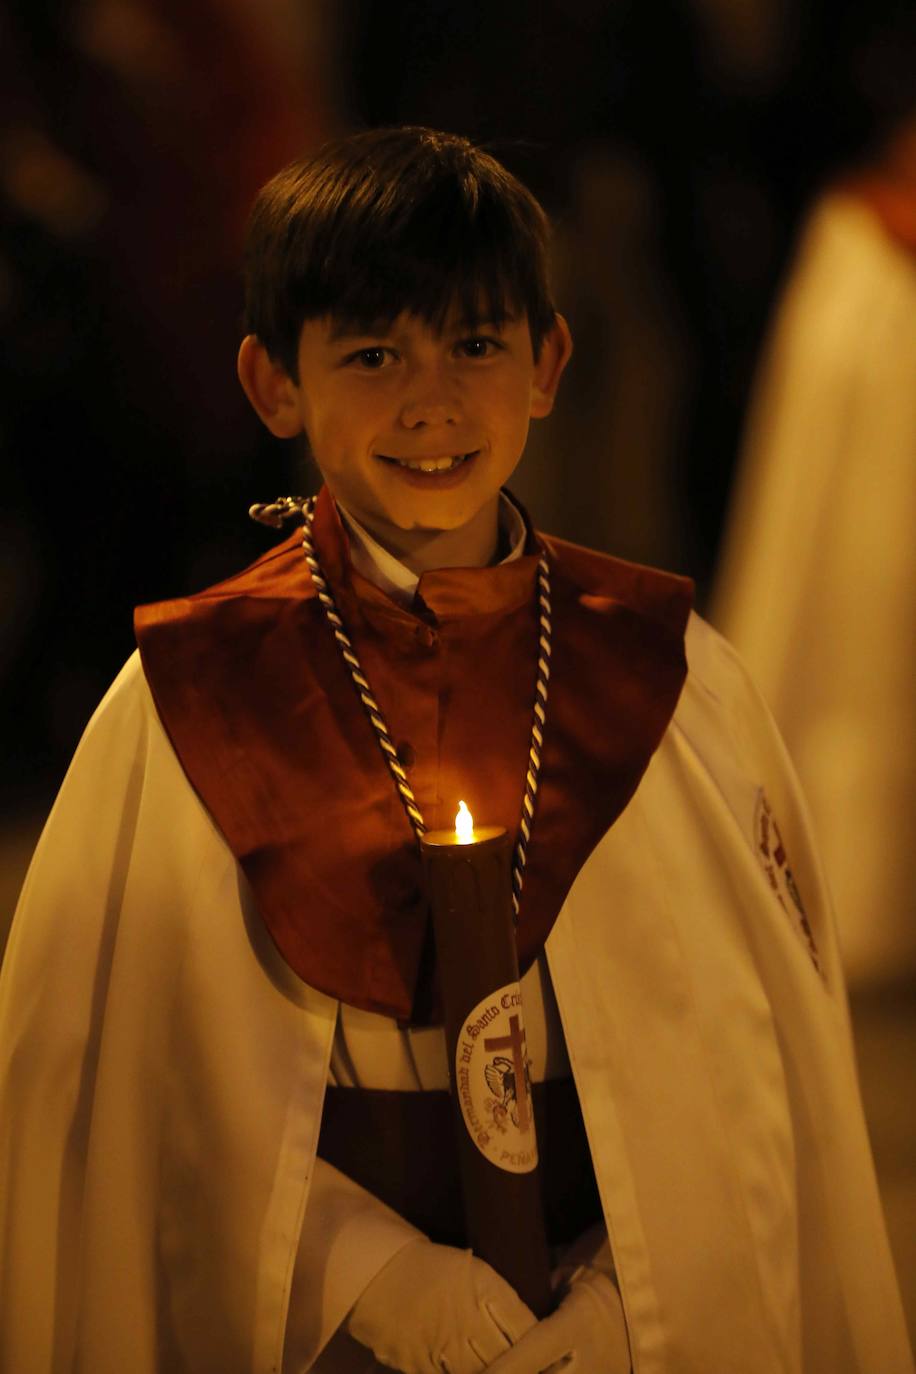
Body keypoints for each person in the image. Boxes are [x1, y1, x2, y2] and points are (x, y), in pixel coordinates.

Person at [0, 127, 911, 1374]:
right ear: (273, 382)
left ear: (547, 364)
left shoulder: (669, 675)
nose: (430, 402)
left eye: (475, 344)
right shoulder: (190, 701)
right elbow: (136, 1099)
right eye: (371, 354)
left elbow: (741, 1070)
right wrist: (366, 1276)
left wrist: (631, 1294)